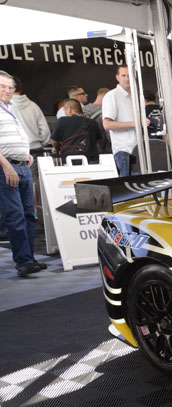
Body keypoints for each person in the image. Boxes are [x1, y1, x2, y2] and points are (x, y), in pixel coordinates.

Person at [0, 70, 44, 277]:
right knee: (16, 215)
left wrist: (25, 153)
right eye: (3, 86)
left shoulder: (9, 108)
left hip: (22, 165)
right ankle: (23, 262)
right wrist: (6, 165)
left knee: (28, 215)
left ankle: (29, 259)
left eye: (10, 87)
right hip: (6, 168)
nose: (8, 90)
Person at [103, 65, 149, 176]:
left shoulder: (138, 96)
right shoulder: (112, 95)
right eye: (123, 75)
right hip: (124, 151)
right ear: (117, 77)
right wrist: (136, 123)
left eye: (129, 76)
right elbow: (107, 124)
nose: (127, 79)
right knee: (130, 185)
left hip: (141, 149)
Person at [51, 99, 102, 163]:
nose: (65, 113)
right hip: (90, 159)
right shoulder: (93, 122)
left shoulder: (62, 121)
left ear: (69, 109)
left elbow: (54, 141)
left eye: (64, 110)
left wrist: (57, 148)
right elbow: (99, 140)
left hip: (69, 159)